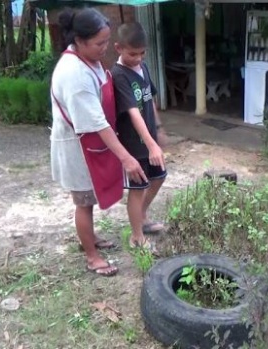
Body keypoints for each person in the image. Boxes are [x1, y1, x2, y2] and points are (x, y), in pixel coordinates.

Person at [50, 8, 147, 276]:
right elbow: (95, 122)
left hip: (94, 142)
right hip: (78, 146)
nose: (105, 49)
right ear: (79, 41)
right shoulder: (74, 74)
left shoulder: (88, 59)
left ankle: (90, 238)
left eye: (106, 42)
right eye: (99, 43)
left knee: (91, 197)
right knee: (83, 201)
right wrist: (126, 157)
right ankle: (92, 256)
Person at [112, 22, 168, 253]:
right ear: (118, 48)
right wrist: (151, 144)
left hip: (150, 139)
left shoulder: (142, 68)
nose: (138, 58)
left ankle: (142, 217)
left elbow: (149, 100)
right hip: (134, 144)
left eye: (142, 53)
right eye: (132, 53)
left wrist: (159, 127)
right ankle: (136, 236)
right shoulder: (118, 75)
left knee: (159, 177)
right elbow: (133, 113)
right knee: (138, 189)